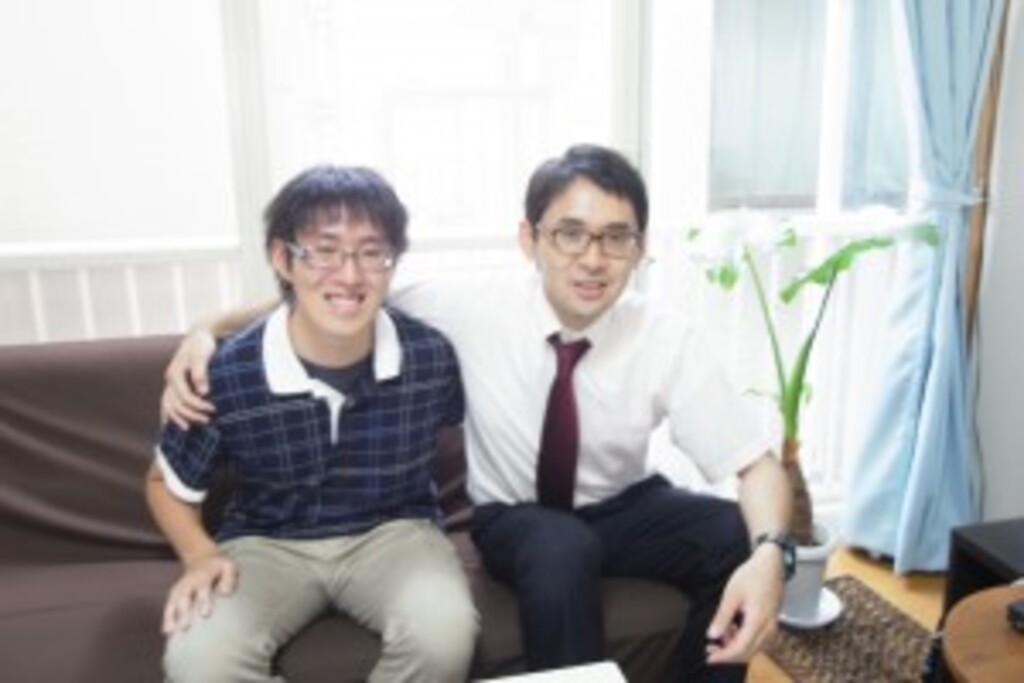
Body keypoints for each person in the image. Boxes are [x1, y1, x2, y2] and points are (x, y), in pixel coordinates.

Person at [163, 145, 792, 681]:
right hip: (516, 516)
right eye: (570, 233)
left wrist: (769, 553)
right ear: (529, 239)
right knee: (561, 545)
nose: (593, 258)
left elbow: (756, 467)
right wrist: (206, 330)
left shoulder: (667, 336)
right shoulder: (468, 305)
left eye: (616, 237)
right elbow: (341, 295)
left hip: (622, 504)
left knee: (732, 534)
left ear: (640, 247)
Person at [145, 165, 478, 683]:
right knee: (199, 663)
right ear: (284, 258)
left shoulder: (430, 355)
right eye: (325, 251)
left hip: (395, 533)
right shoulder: (226, 371)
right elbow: (164, 484)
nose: (350, 275)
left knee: (445, 636)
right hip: (266, 542)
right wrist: (199, 554)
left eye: (371, 253)